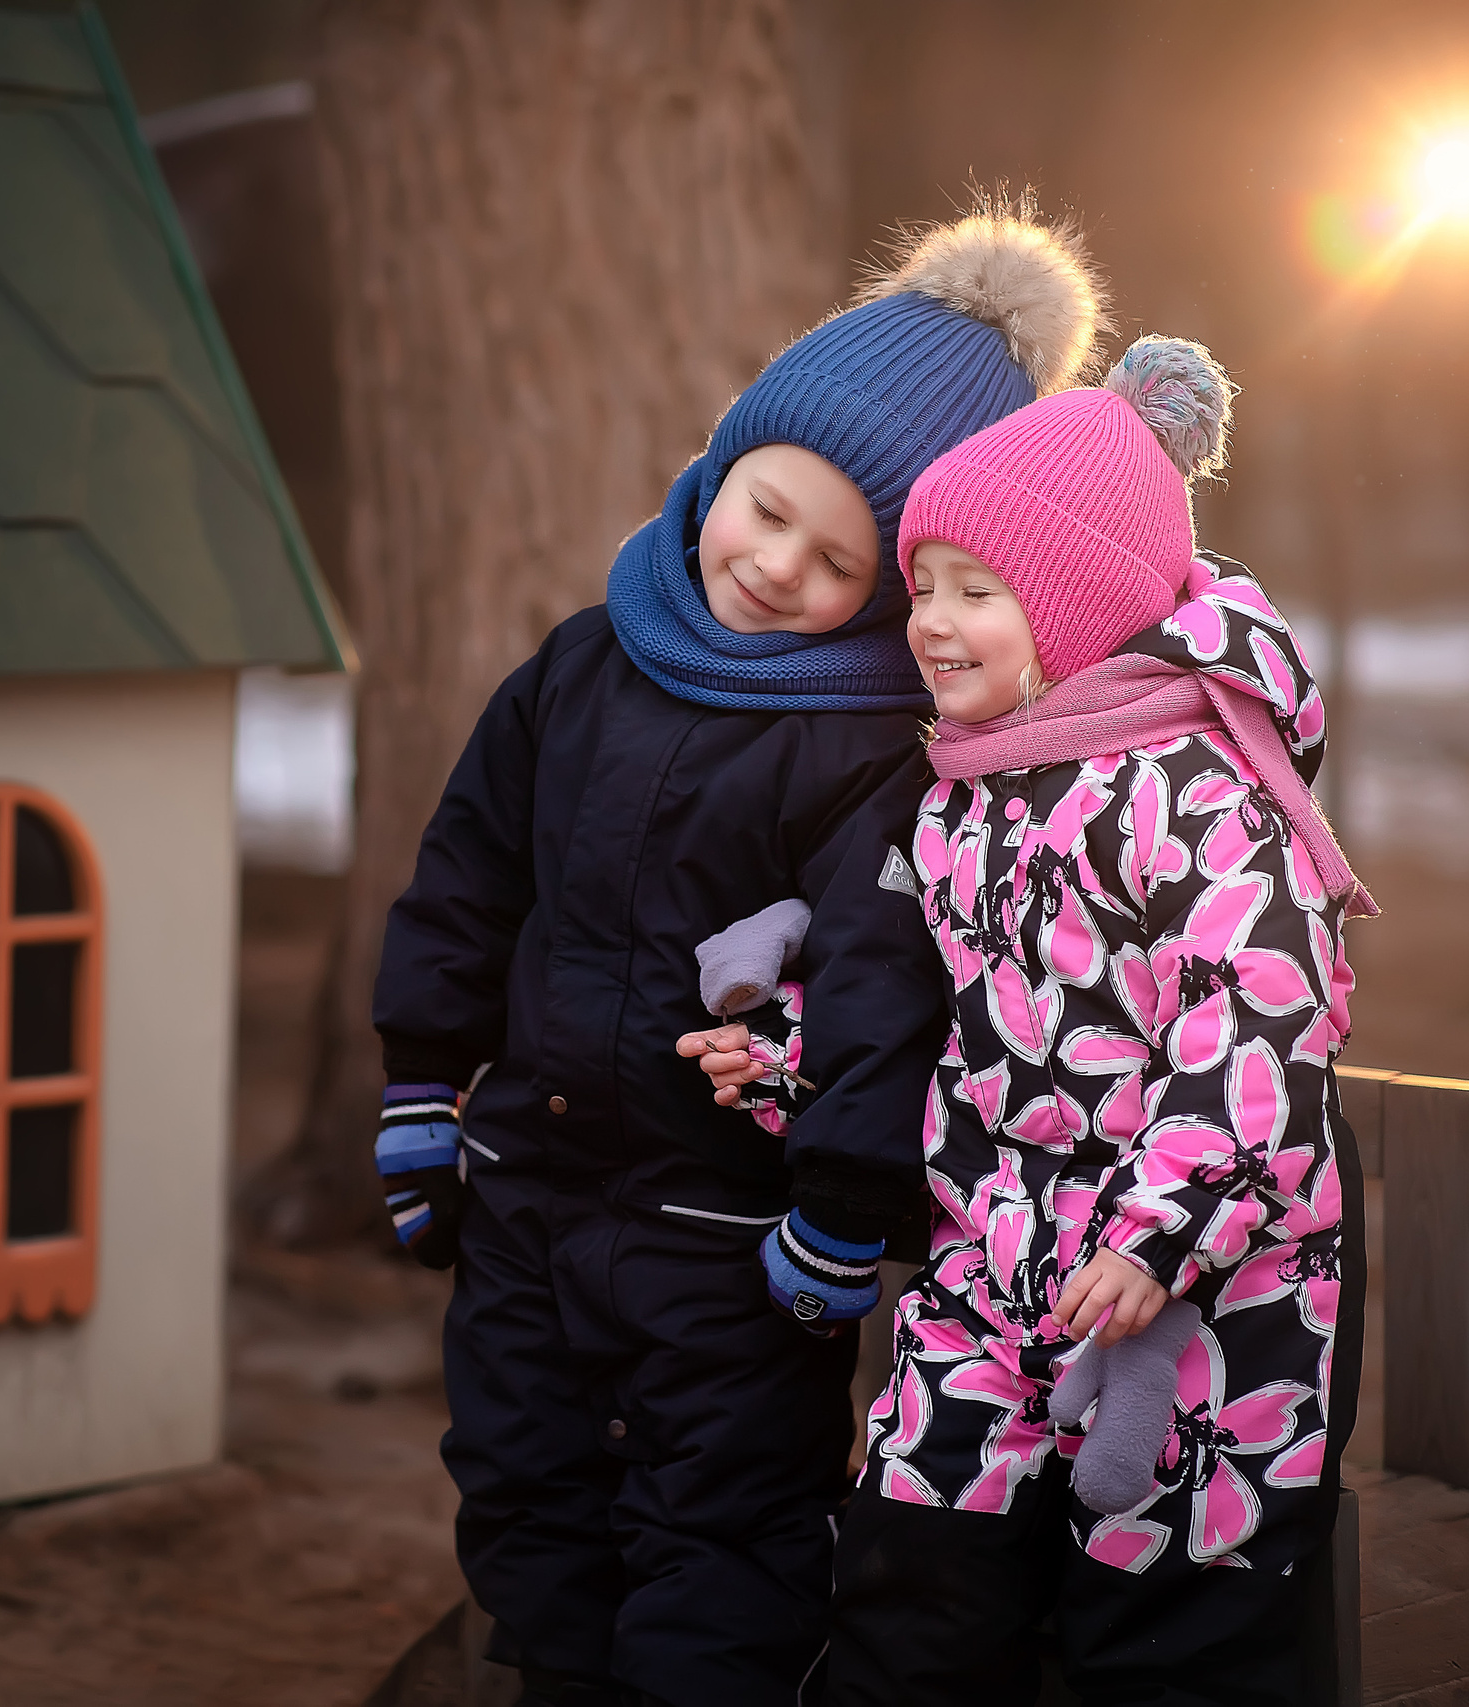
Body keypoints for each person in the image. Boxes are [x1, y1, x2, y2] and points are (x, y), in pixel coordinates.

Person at [369, 204, 1104, 1707]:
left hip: (730, 1240)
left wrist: (838, 1212)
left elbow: (887, 986)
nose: (776, 568)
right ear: (722, 464)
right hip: (529, 1192)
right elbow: (468, 877)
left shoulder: (858, 757)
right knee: (519, 1485)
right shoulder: (581, 661)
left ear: (889, 596)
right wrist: (424, 1084)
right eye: (767, 508)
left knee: (728, 1537)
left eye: (838, 563)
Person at [692, 335, 1373, 1705]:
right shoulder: (967, 795)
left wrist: (1159, 1237)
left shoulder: (1193, 791)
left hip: (1201, 1299)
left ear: (1074, 609)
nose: (931, 622)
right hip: (990, 1264)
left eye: (976, 592)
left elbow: (1256, 1025)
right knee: (908, 1585)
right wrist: (795, 1060)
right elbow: (959, 1016)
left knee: (1167, 1635)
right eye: (923, 590)